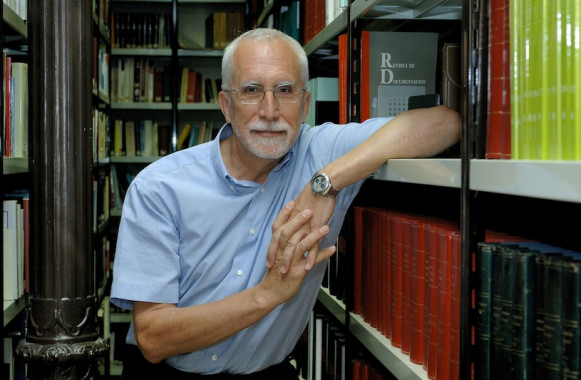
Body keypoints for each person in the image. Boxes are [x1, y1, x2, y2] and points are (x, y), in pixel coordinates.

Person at [111, 27, 461, 379]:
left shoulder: (322, 151)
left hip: (267, 372)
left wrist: (324, 183)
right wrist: (267, 294)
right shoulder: (159, 187)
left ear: (305, 104)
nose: (270, 110)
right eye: (251, 91)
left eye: (285, 90)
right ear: (226, 105)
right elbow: (153, 338)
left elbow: (445, 124)